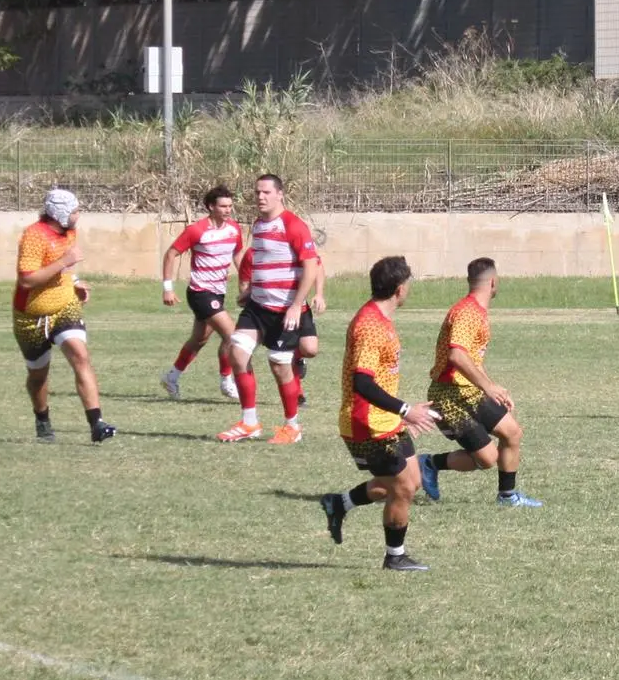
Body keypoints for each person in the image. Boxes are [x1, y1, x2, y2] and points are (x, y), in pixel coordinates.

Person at [320, 256, 439, 571]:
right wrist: (405, 410)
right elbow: (362, 382)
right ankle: (395, 557)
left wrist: (403, 413)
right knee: (401, 486)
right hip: (366, 423)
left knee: (409, 482)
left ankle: (339, 503)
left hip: (385, 419)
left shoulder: (380, 319)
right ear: (400, 289)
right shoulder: (370, 326)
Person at [416, 257, 541, 507]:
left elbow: (472, 359)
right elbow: (457, 355)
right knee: (486, 459)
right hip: (449, 394)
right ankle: (429, 463)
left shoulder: (477, 311)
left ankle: (507, 496)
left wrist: (494, 388)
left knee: (512, 432)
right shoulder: (467, 313)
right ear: (493, 282)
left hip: (470, 391)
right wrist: (488, 387)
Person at [219, 173, 325, 444]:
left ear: (280, 194)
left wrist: (296, 305)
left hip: (285, 310)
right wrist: (250, 291)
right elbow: (264, 263)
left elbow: (311, 266)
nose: (260, 197)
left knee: (279, 366)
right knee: (237, 352)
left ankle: (292, 427)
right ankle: (249, 422)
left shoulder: (293, 225)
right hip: (257, 307)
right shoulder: (258, 225)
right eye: (257, 192)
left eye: (266, 192)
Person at [14, 188, 116, 444]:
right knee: (38, 377)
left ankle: (97, 423)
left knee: (80, 355)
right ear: (59, 213)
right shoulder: (33, 236)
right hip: (31, 315)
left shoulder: (70, 232)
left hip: (64, 307)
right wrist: (63, 262)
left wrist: (76, 282)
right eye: (74, 211)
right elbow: (27, 280)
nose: (78, 215)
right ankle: (42, 417)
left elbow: (66, 269)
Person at [161, 185, 244, 401]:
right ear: (211, 206)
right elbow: (171, 254)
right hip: (200, 292)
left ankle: (171, 377)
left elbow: (237, 256)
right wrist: (168, 289)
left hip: (218, 292)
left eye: (230, 206)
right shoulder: (196, 230)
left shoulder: (234, 229)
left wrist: (246, 282)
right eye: (223, 206)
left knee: (198, 341)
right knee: (232, 335)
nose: (228, 210)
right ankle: (227, 381)